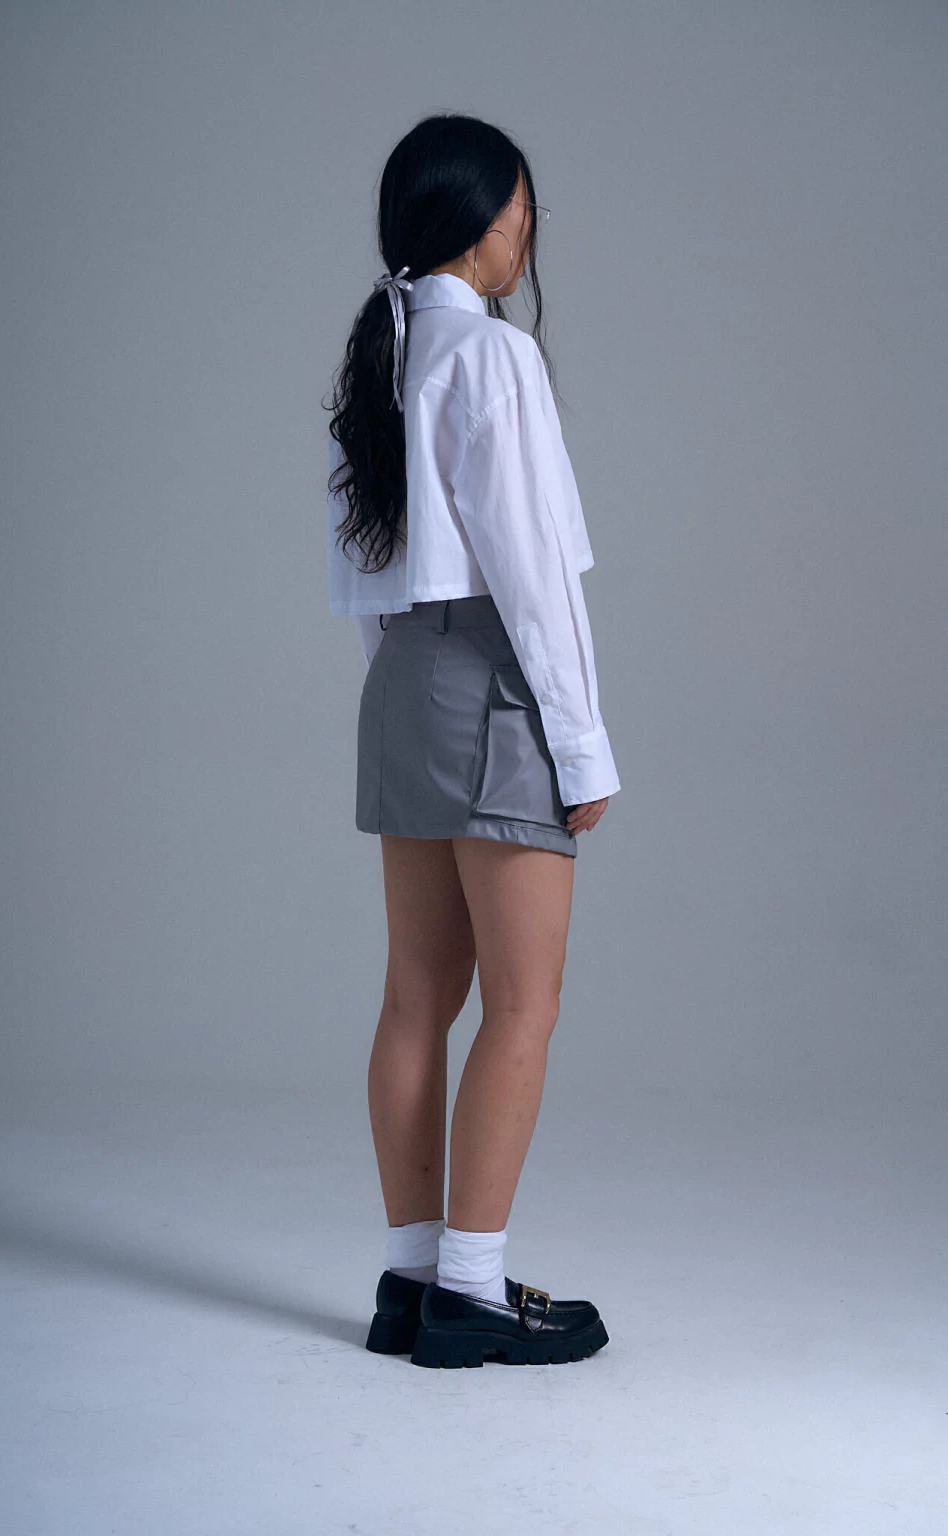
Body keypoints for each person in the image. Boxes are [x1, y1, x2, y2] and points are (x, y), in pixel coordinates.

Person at [324, 113, 621, 1369]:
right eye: (522, 208)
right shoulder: (493, 356)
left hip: (401, 678)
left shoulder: (379, 354)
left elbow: (360, 568)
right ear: (486, 220)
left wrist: (412, 694)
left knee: (415, 996)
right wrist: (581, 742)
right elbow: (532, 572)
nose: (528, 231)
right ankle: (470, 1293)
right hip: (493, 677)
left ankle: (408, 1283)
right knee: (522, 1004)